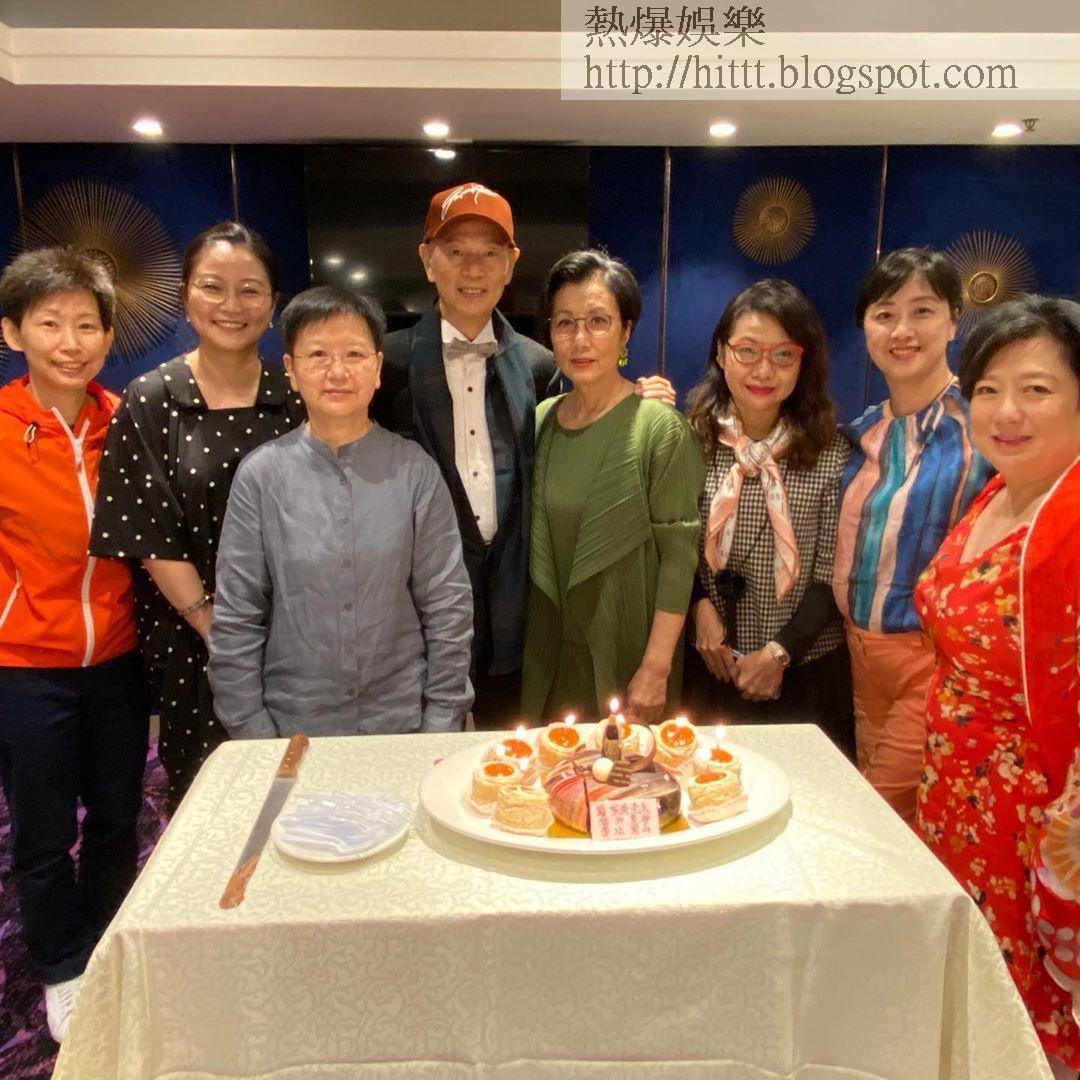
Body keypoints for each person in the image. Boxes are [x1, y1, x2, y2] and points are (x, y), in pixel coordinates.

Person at [372, 182, 674, 729]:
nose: (473, 268)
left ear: (511, 264)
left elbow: (590, 422)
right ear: (427, 259)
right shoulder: (384, 365)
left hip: (519, 612)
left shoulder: (540, 366)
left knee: (510, 755)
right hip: (416, 609)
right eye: (455, 250)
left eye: (490, 253)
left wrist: (641, 398)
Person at [914, 295, 1080, 1077]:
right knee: (973, 999)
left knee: (1025, 1020)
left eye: (1036, 389)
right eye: (987, 389)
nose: (1006, 411)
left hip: (1034, 819)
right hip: (959, 794)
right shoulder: (1000, 491)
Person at [90, 222, 305, 810]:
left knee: (300, 794)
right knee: (211, 804)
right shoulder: (151, 398)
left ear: (272, 303)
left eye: (250, 290)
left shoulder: (297, 394)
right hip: (194, 639)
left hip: (300, 638)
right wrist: (218, 631)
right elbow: (146, 531)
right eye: (213, 286)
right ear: (186, 296)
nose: (231, 305)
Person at [0, 248, 151, 1042]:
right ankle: (61, 965)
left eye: (86, 325)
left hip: (118, 660)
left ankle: (108, 940)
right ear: (13, 331)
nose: (70, 342)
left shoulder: (123, 417)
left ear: (107, 334)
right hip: (26, 667)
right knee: (43, 830)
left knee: (120, 815)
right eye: (49, 323)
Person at [208, 286, 473, 735]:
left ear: (377, 368)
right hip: (294, 723)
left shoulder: (415, 471)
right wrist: (253, 731)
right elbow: (237, 615)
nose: (337, 372)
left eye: (354, 354)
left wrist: (440, 721)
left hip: (401, 721)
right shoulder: (261, 476)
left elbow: (447, 605)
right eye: (317, 355)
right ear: (291, 369)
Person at [833, 248, 992, 820]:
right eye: (884, 314)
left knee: (875, 813)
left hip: (935, 659)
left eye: (922, 311)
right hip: (858, 650)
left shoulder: (986, 431)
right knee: (901, 817)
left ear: (953, 320)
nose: (902, 331)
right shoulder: (861, 433)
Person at [520, 250, 702, 724]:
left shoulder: (659, 428)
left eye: (598, 321)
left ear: (625, 331)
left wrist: (656, 668)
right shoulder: (542, 420)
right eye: (565, 323)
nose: (580, 339)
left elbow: (679, 559)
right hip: (551, 649)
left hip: (628, 650)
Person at [684, 280, 854, 756]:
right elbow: (673, 547)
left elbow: (831, 576)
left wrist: (779, 653)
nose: (764, 370)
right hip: (711, 665)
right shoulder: (690, 441)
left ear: (804, 362)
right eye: (748, 351)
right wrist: (699, 606)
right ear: (722, 353)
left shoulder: (833, 453)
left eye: (783, 355)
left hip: (806, 671)